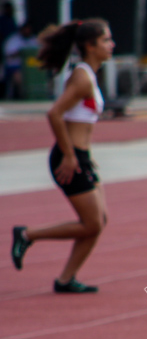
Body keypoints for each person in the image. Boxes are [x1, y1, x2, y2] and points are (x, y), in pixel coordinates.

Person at [10, 19, 115, 293]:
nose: (111, 45)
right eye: (105, 41)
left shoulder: (90, 75)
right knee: (92, 223)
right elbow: (54, 113)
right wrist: (69, 155)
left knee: (98, 223)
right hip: (68, 157)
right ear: (90, 46)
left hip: (81, 156)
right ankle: (27, 234)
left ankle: (67, 279)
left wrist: (82, 156)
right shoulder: (81, 77)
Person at [3, 21, 34, 100]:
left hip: (31, 68)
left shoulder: (33, 39)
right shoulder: (13, 40)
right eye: (26, 29)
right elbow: (8, 55)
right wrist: (19, 53)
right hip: (14, 67)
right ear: (21, 29)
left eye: (29, 29)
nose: (27, 31)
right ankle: (24, 97)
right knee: (19, 76)